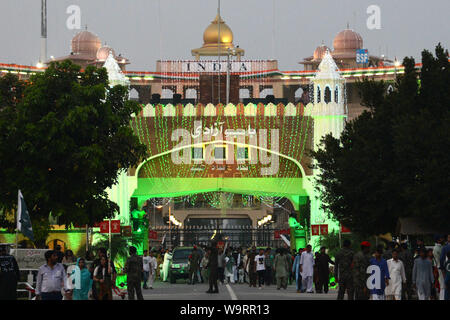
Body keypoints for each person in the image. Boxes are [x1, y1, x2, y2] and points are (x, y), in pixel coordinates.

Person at [433, 235, 445, 300]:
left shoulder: (439, 247)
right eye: (441, 238)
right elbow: (439, 260)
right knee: (442, 285)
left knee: (442, 284)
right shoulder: (437, 248)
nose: (442, 239)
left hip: (440, 267)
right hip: (441, 267)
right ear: (438, 240)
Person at [439, 235, 450, 300]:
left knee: (447, 289)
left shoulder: (445, 248)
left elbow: (441, 259)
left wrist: (443, 270)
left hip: (447, 272)